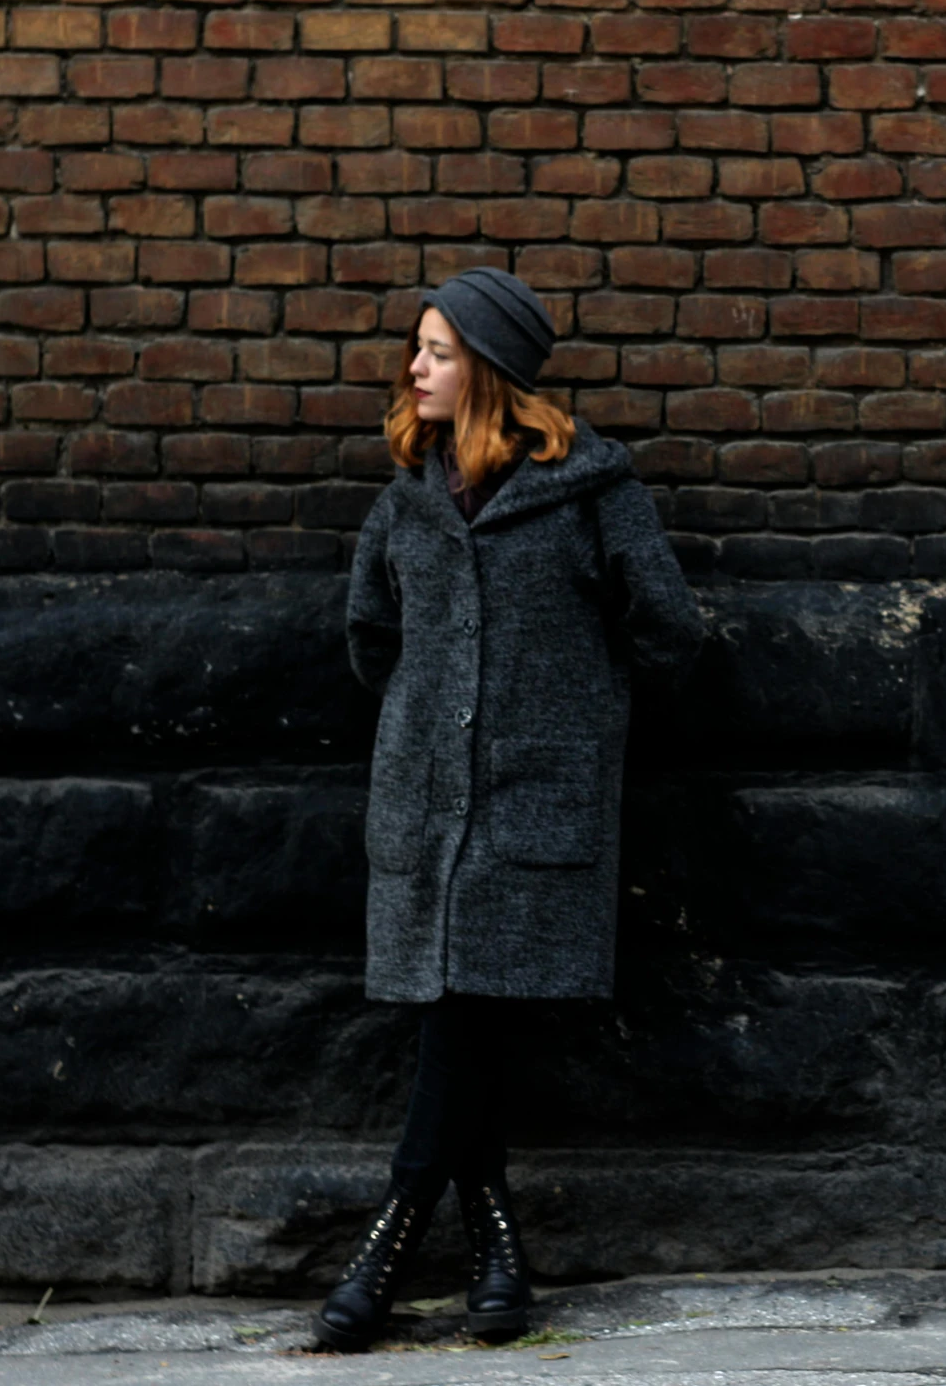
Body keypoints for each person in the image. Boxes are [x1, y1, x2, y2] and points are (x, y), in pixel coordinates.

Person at [318, 267, 706, 1351]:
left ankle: (389, 1240)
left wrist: (576, 712)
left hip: (537, 807)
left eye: (437, 351)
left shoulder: (591, 491)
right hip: (427, 810)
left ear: (487, 368)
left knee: (465, 1013)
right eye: (417, 348)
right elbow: (370, 639)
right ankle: (496, 1255)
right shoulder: (406, 494)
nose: (415, 367)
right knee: (464, 1016)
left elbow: (668, 630)